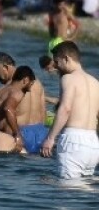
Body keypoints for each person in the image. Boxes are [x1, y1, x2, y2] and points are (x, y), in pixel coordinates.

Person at [40, 40, 99, 179]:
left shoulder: (68, 78)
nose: (55, 66)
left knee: (68, 194)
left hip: (73, 141)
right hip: (93, 143)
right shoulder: (95, 82)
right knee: (83, 193)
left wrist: (50, 138)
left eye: (57, 62)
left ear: (66, 59)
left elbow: (65, 109)